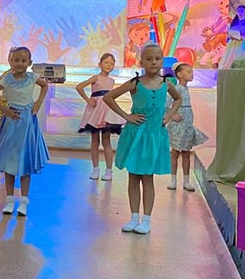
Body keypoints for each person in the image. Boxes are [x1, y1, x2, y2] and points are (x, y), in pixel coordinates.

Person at [103, 43, 182, 235]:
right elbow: (109, 97)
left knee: (147, 177)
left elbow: (178, 99)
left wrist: (169, 115)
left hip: (154, 136)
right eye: (148, 59)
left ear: (162, 61)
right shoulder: (135, 83)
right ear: (142, 62)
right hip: (136, 136)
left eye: (157, 58)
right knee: (133, 176)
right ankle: (133, 217)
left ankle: (146, 220)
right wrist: (127, 116)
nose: (153, 62)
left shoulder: (167, 83)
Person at [0, 46, 50, 217]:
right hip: (11, 123)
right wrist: (5, 110)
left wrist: (38, 102)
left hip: (27, 123)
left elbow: (45, 86)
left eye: (23, 60)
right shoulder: (6, 79)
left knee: (25, 161)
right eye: (16, 60)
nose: (20, 63)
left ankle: (24, 201)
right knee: (9, 161)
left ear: (29, 62)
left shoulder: (33, 77)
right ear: (11, 61)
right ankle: (10, 199)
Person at [75, 53, 124, 181]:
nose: (109, 65)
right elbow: (79, 87)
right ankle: (95, 169)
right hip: (96, 111)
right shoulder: (96, 77)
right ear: (100, 64)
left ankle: (109, 170)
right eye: (106, 62)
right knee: (95, 140)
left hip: (106, 111)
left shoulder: (112, 81)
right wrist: (88, 100)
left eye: (112, 63)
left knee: (106, 141)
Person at [166, 63, 208, 192]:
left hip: (187, 124)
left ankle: (186, 180)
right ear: (179, 74)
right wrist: (172, 115)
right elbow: (166, 104)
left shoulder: (186, 89)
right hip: (177, 125)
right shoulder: (175, 89)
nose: (192, 74)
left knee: (186, 152)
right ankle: (173, 179)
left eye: (192, 71)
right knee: (175, 152)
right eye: (189, 72)